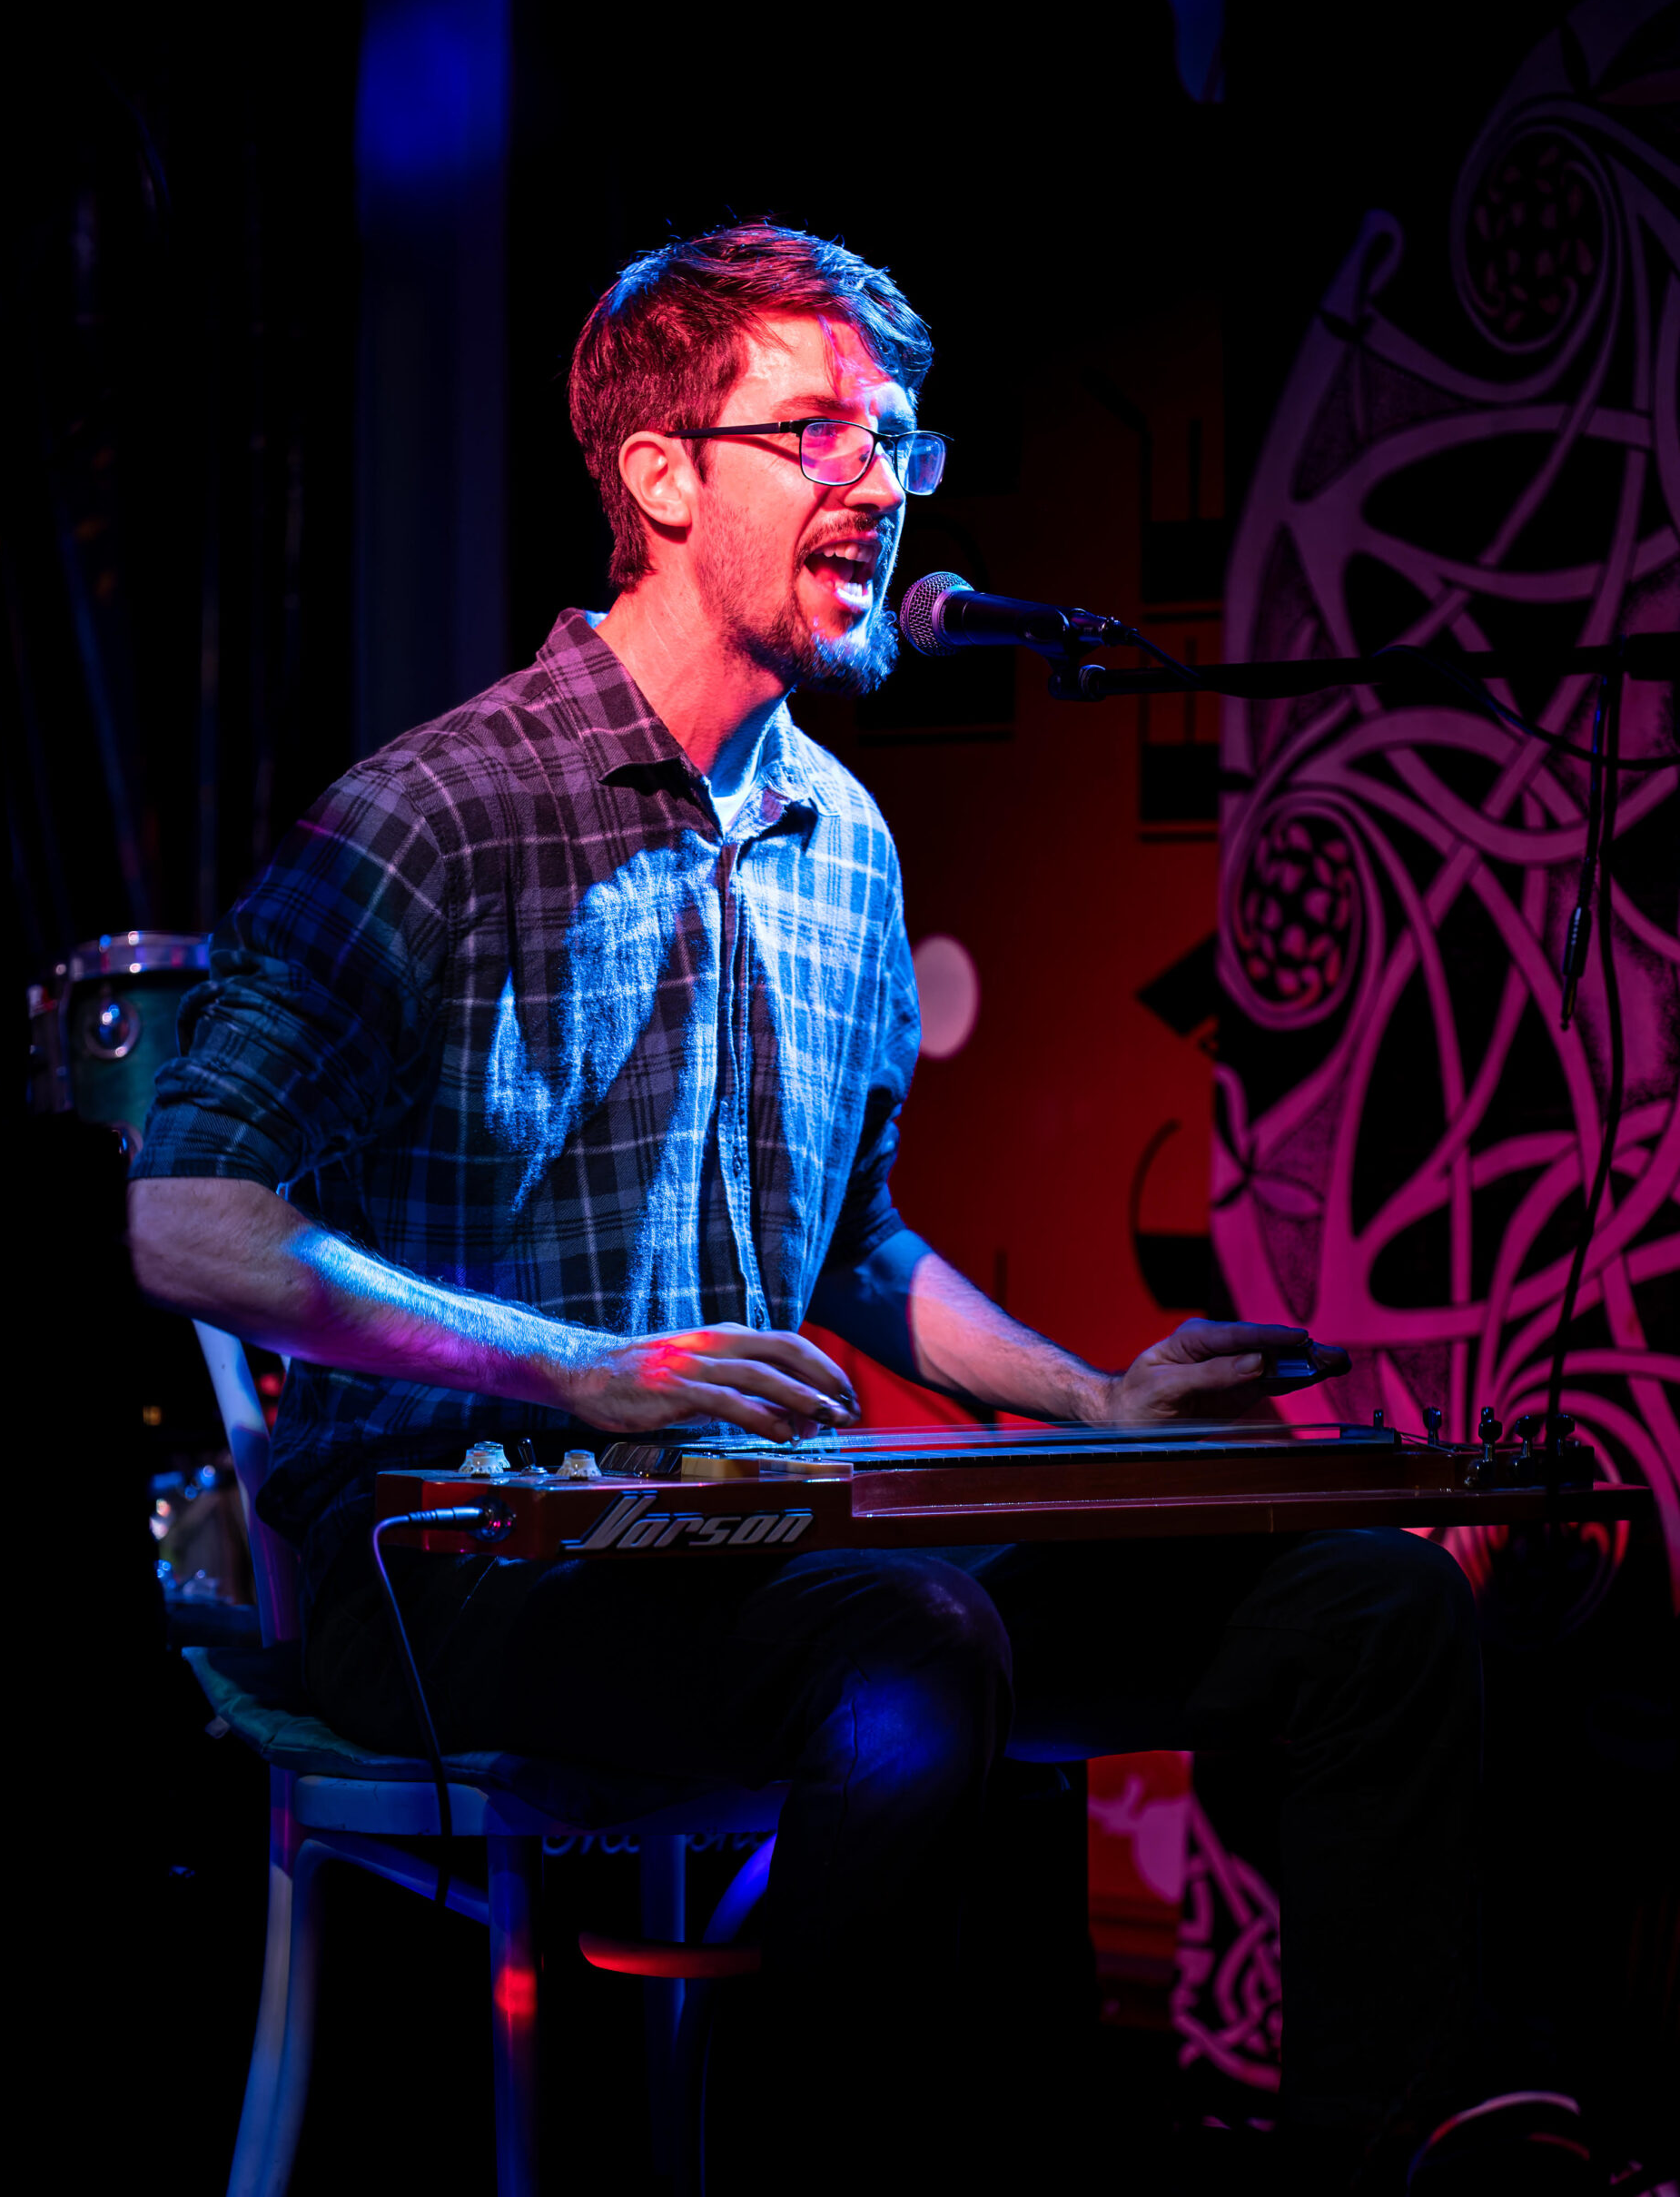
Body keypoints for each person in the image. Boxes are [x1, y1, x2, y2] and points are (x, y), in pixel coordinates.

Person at [129, 224, 1477, 2190]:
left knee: (1368, 1603)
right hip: (453, 1553)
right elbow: (175, 1214)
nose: (883, 478)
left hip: (757, 1540)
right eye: (822, 428)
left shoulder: (842, 832)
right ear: (660, 475)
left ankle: (1404, 2163)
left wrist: (1086, 1400)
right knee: (906, 1649)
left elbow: (861, 1240)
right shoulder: (430, 813)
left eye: (903, 441)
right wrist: (586, 1370)